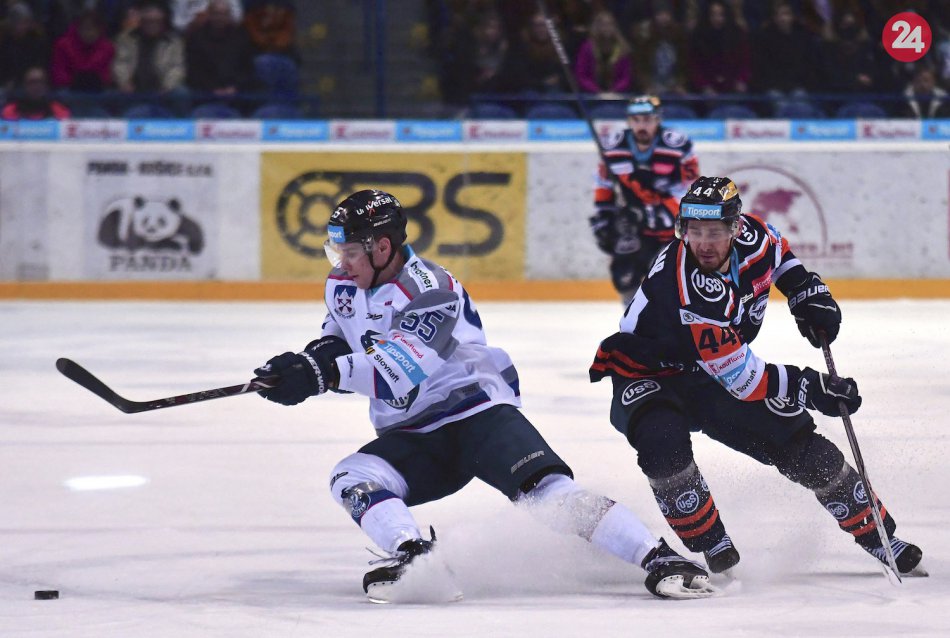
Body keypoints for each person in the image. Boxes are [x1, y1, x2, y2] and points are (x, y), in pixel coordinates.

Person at [253, 189, 716, 603]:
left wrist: (320, 376)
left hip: (477, 413)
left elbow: (399, 372)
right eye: (337, 252)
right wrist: (302, 364)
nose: (341, 263)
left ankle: (658, 557)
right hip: (415, 434)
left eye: (350, 252)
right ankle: (415, 556)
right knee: (351, 476)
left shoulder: (431, 289)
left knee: (550, 498)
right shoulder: (342, 285)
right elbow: (337, 339)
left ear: (383, 247)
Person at [589, 176, 925, 578]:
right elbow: (743, 379)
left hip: (710, 372)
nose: (704, 244)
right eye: (694, 231)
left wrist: (803, 289)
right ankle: (711, 542)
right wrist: (811, 386)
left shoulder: (756, 236)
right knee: (662, 443)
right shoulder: (687, 289)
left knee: (800, 444)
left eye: (715, 232)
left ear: (736, 227)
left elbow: (780, 254)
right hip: (648, 373)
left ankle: (879, 536)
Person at [590, 94, 699, 304]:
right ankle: (633, 320)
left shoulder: (678, 146)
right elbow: (604, 184)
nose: (642, 126)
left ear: (658, 119)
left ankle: (667, 321)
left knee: (667, 281)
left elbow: (690, 188)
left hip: (671, 229)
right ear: (629, 121)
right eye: (636, 120)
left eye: (647, 119)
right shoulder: (612, 148)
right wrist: (605, 216)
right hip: (633, 227)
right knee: (624, 278)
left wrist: (657, 211)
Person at [1, 66, 71, 120]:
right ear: (24, 86)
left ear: (46, 86)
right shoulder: (10, 111)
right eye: (32, 82)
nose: (36, 86)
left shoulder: (59, 111)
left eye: (40, 82)